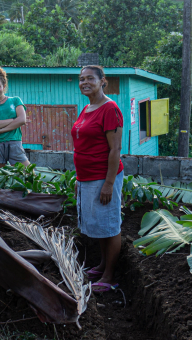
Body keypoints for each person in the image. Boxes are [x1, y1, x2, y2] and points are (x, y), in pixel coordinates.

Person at [72, 65, 124, 293]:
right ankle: (102, 266)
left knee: (110, 226)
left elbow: (115, 150)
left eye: (90, 78)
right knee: (100, 226)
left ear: (103, 81)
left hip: (103, 177)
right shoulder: (87, 108)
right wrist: (79, 179)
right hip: (87, 178)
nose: (85, 82)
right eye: (81, 79)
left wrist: (109, 184)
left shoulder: (110, 109)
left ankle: (110, 276)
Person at [0, 66, 30, 176]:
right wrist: (13, 119)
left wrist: (2, 130)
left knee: (29, 176)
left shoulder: (15, 100)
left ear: (4, 86)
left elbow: (22, 120)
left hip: (15, 144)